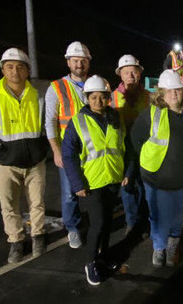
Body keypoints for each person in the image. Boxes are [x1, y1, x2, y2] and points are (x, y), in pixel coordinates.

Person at [0, 48, 48, 263]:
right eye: (10, 67)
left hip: (35, 162)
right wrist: (1, 154)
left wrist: (42, 149)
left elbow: (46, 127)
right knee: (9, 205)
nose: (15, 71)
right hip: (6, 164)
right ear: (3, 70)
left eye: (20, 67)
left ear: (27, 71)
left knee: (37, 202)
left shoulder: (38, 97)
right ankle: (16, 241)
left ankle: (38, 236)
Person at [61, 75, 125, 286]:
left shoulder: (116, 117)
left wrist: (126, 172)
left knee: (107, 222)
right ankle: (91, 263)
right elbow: (68, 155)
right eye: (93, 97)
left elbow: (123, 148)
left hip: (113, 179)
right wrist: (77, 184)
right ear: (87, 98)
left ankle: (104, 257)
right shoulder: (77, 122)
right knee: (97, 224)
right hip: (92, 182)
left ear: (108, 98)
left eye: (102, 97)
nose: (98, 101)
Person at [131, 70, 183, 267]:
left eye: (177, 90)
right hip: (157, 179)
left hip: (182, 178)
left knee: (177, 212)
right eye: (169, 90)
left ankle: (173, 244)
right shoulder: (151, 115)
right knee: (159, 216)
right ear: (160, 93)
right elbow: (136, 140)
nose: (174, 94)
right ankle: (159, 248)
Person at [45, 41, 92, 249]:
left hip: (92, 149)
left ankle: (96, 221)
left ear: (88, 63)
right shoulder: (56, 87)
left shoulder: (96, 84)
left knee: (95, 187)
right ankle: (73, 228)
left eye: (83, 60)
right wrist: (56, 151)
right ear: (68, 62)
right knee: (69, 193)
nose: (79, 64)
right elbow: (50, 122)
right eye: (75, 60)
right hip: (69, 150)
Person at [111, 54, 150, 235]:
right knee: (127, 187)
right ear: (121, 75)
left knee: (143, 185)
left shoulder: (149, 97)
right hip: (124, 149)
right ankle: (131, 222)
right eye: (127, 73)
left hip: (145, 148)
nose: (131, 76)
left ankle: (143, 219)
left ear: (139, 74)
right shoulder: (112, 97)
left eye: (133, 72)